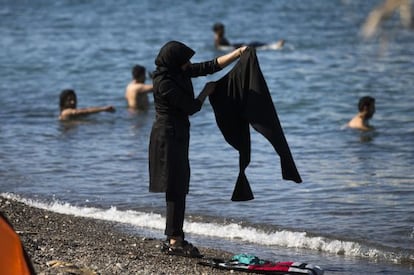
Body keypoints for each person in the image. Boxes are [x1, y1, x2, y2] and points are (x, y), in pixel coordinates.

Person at [149, 40, 247, 257]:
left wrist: (238, 53)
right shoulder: (164, 82)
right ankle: (175, 240)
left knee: (179, 186)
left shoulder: (178, 72)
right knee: (175, 187)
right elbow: (191, 107)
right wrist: (205, 92)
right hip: (167, 137)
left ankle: (174, 236)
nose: (189, 64)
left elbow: (209, 66)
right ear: (175, 62)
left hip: (178, 135)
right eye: (185, 61)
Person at [212, 22, 285, 50]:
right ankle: (275, 46)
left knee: (255, 43)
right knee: (255, 44)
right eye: (222, 29)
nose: (224, 31)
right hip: (238, 48)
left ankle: (274, 45)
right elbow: (222, 48)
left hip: (237, 46)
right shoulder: (218, 39)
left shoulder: (219, 38)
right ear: (217, 30)